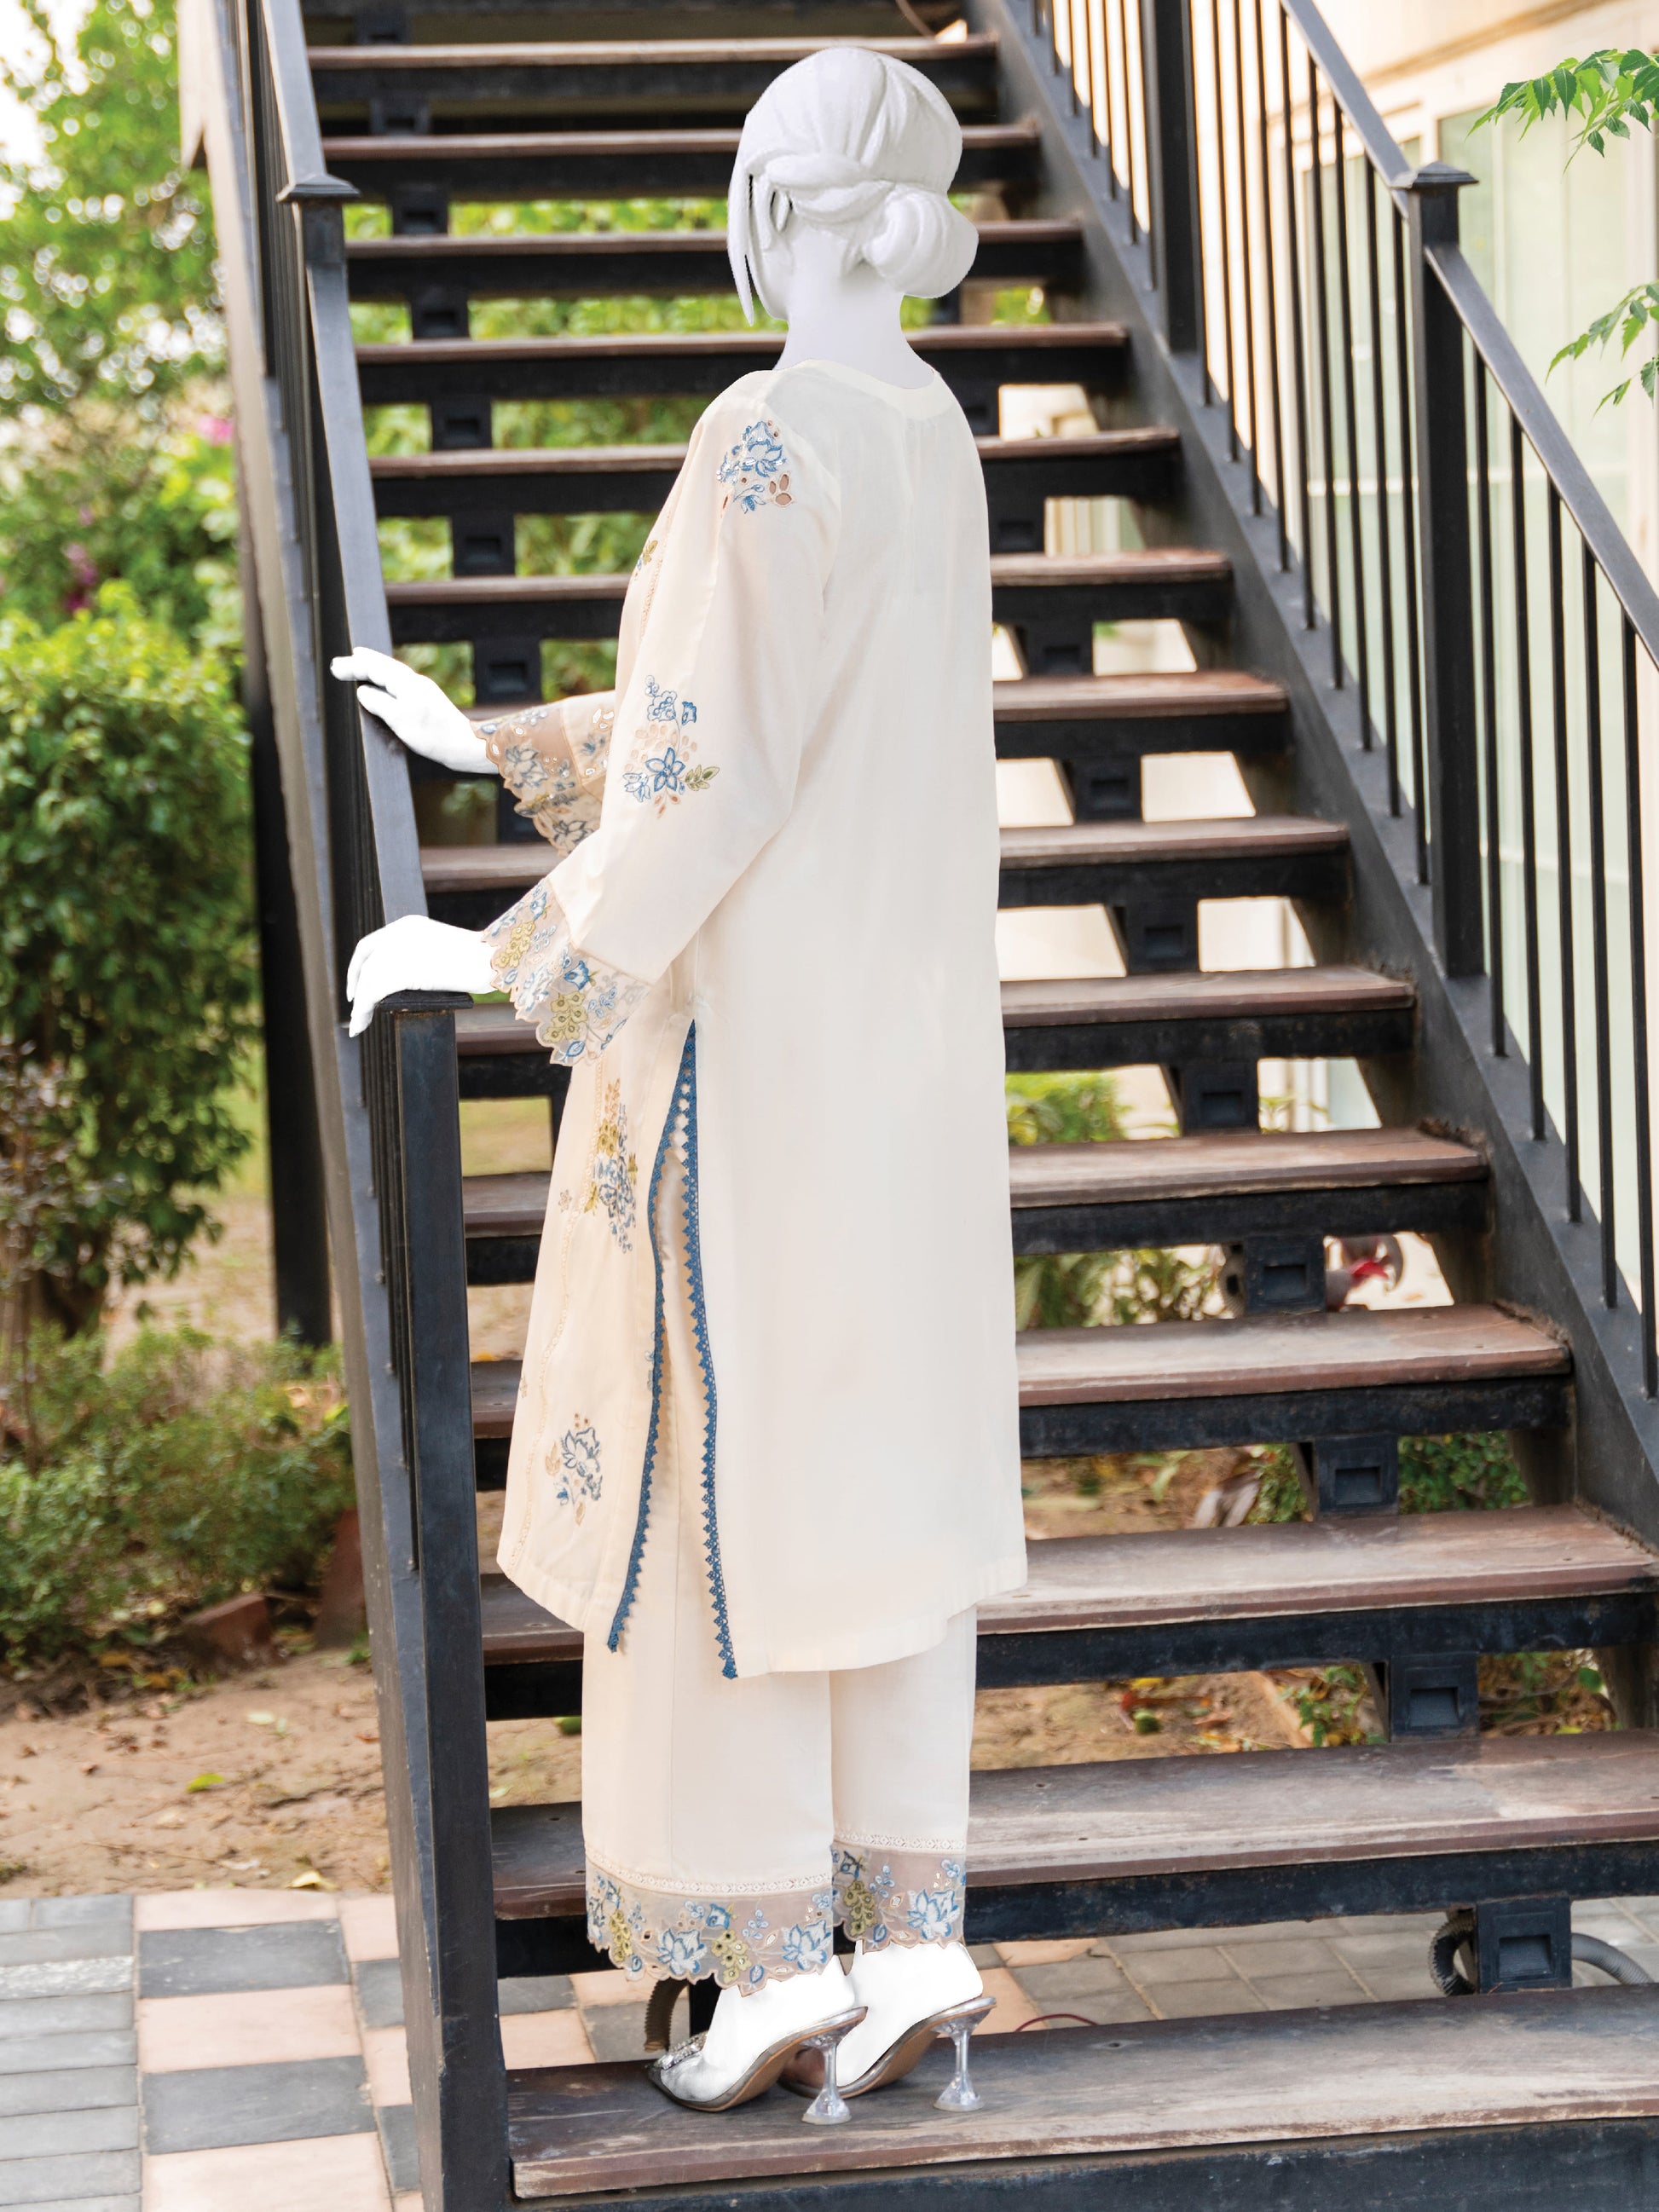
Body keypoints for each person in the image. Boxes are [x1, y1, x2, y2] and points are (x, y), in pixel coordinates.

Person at [336, 45, 1025, 2121]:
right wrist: (494, 750)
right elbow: (741, 719)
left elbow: (708, 768)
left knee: (704, 1499)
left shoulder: (762, 432)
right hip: (901, 1063)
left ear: (777, 205)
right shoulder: (932, 431)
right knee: (867, 1489)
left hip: (749, 1050)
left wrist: (502, 950)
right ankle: (906, 1934)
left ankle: (763, 1962)